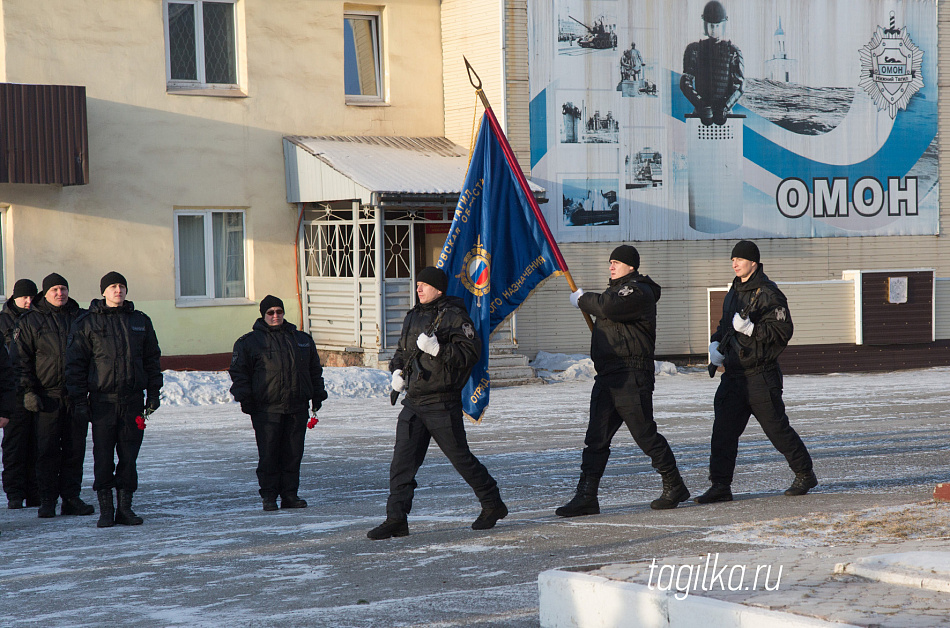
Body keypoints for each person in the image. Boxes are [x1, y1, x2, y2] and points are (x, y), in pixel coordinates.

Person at [367, 267, 507, 540]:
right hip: (415, 401)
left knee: (461, 459)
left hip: (442, 402)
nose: (418, 289)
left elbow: (470, 354)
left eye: (424, 285)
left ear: (439, 289)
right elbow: (401, 352)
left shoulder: (455, 316)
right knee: (401, 464)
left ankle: (493, 504)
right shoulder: (413, 316)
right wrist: (396, 372)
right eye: (417, 284)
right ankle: (396, 519)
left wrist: (438, 349)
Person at [557, 246, 690, 515]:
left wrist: (583, 299)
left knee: (644, 434)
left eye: (616, 262)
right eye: (610, 262)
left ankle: (674, 485)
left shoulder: (638, 291)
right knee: (596, 438)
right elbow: (608, 307)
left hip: (631, 374)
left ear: (631, 266)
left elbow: (609, 307)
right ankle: (586, 496)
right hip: (608, 375)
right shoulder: (615, 291)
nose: (611, 266)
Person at [695, 241, 817, 504]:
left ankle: (805, 474)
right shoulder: (734, 290)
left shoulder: (769, 294)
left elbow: (783, 332)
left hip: (760, 375)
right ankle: (720, 486)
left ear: (754, 262)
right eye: (732, 260)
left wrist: (752, 329)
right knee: (723, 433)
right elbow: (725, 325)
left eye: (739, 259)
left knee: (777, 430)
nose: (734, 263)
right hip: (734, 376)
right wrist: (715, 345)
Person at [65, 272, 162, 527]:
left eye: (122, 286)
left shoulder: (140, 321)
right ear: (103, 292)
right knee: (104, 456)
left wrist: (153, 394)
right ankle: (106, 510)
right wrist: (79, 401)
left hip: (132, 401)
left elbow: (152, 360)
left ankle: (125, 509)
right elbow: (75, 365)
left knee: (129, 456)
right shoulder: (87, 323)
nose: (118, 290)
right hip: (102, 402)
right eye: (113, 286)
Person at [228, 295, 327, 512]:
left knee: (293, 454)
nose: (275, 316)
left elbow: (314, 371)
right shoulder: (249, 342)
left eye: (279, 312)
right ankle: (269, 496)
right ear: (263, 315)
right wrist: (245, 397)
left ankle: (290, 495)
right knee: (269, 454)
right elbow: (239, 372)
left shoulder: (301, 339)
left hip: (296, 407)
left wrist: (317, 395)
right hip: (266, 409)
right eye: (270, 313)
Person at [15, 273, 93, 519]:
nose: (60, 293)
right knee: (47, 450)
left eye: (63, 289)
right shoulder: (31, 321)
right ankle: (47, 500)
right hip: (47, 397)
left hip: (76, 395)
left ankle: (71, 498)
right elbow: (20, 360)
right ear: (45, 293)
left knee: (74, 449)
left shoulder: (81, 318)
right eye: (54, 290)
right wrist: (28, 391)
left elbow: (94, 355)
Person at [1, 279, 40, 509]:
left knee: (37, 443)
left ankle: (35, 491)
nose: (28, 301)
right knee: (14, 445)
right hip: (12, 392)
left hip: (35, 389)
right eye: (24, 297)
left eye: (32, 297)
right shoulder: (3, 321)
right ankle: (14, 493)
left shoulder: (36, 319)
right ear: (14, 297)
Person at [680, 0, 744, 126]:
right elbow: (685, 81)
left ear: (723, 25)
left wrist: (725, 107)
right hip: (700, 111)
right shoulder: (694, 50)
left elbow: (740, 85)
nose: (714, 29)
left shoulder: (733, 51)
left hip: (725, 113)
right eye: (711, 25)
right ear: (705, 25)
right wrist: (700, 105)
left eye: (717, 26)